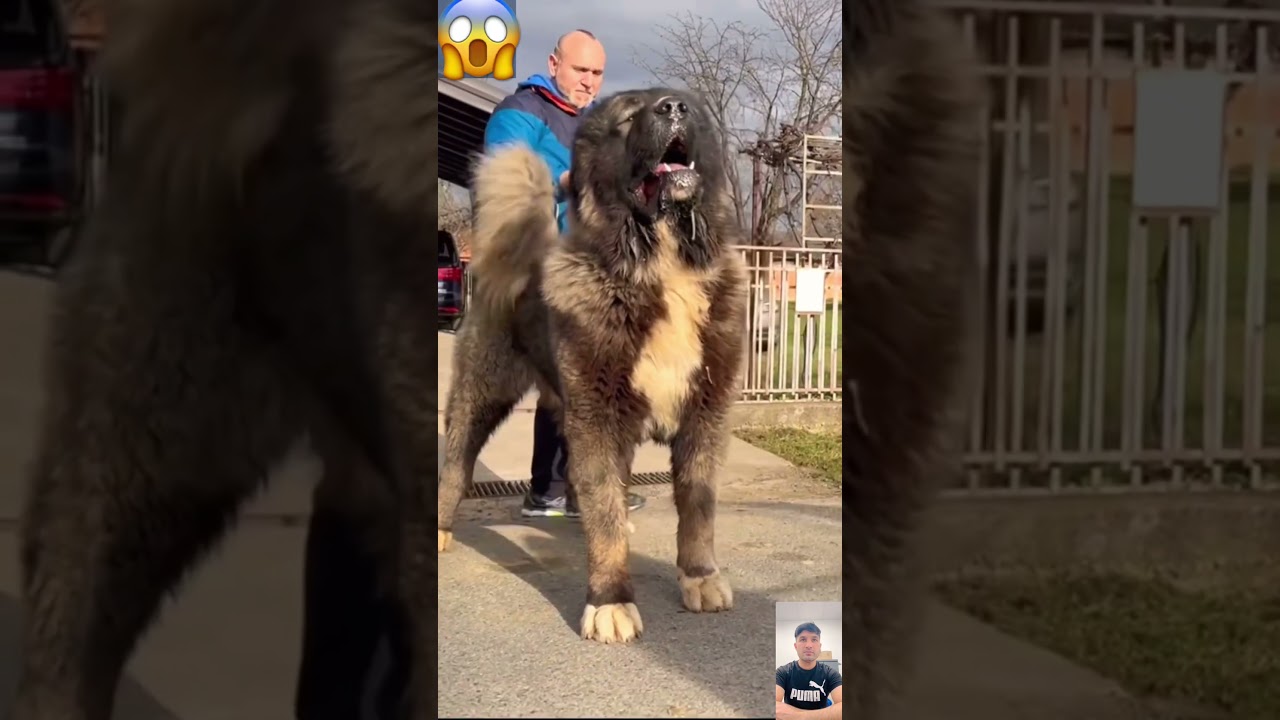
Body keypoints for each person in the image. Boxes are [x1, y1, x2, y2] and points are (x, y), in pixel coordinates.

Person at [481, 28, 645, 519]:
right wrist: (563, 183)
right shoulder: (521, 111)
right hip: (536, 269)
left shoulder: (601, 126)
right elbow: (501, 186)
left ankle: (564, 490)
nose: (590, 81)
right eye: (581, 70)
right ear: (554, 64)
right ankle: (555, 489)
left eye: (597, 73)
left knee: (587, 382)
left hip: (592, 273)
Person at [775, 622, 844, 719]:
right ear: (796, 646)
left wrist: (799, 716)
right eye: (803, 639)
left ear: (820, 646)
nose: (808, 645)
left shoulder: (831, 674)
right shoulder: (783, 672)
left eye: (814, 639)